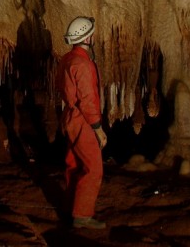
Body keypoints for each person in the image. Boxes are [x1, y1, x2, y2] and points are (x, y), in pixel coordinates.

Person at [56, 15, 107, 229]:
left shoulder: (66, 59)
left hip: (69, 117)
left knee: (74, 164)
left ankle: (70, 207)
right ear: (87, 38)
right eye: (92, 34)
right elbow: (88, 100)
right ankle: (82, 215)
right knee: (94, 169)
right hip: (83, 120)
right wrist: (98, 128)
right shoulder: (83, 64)